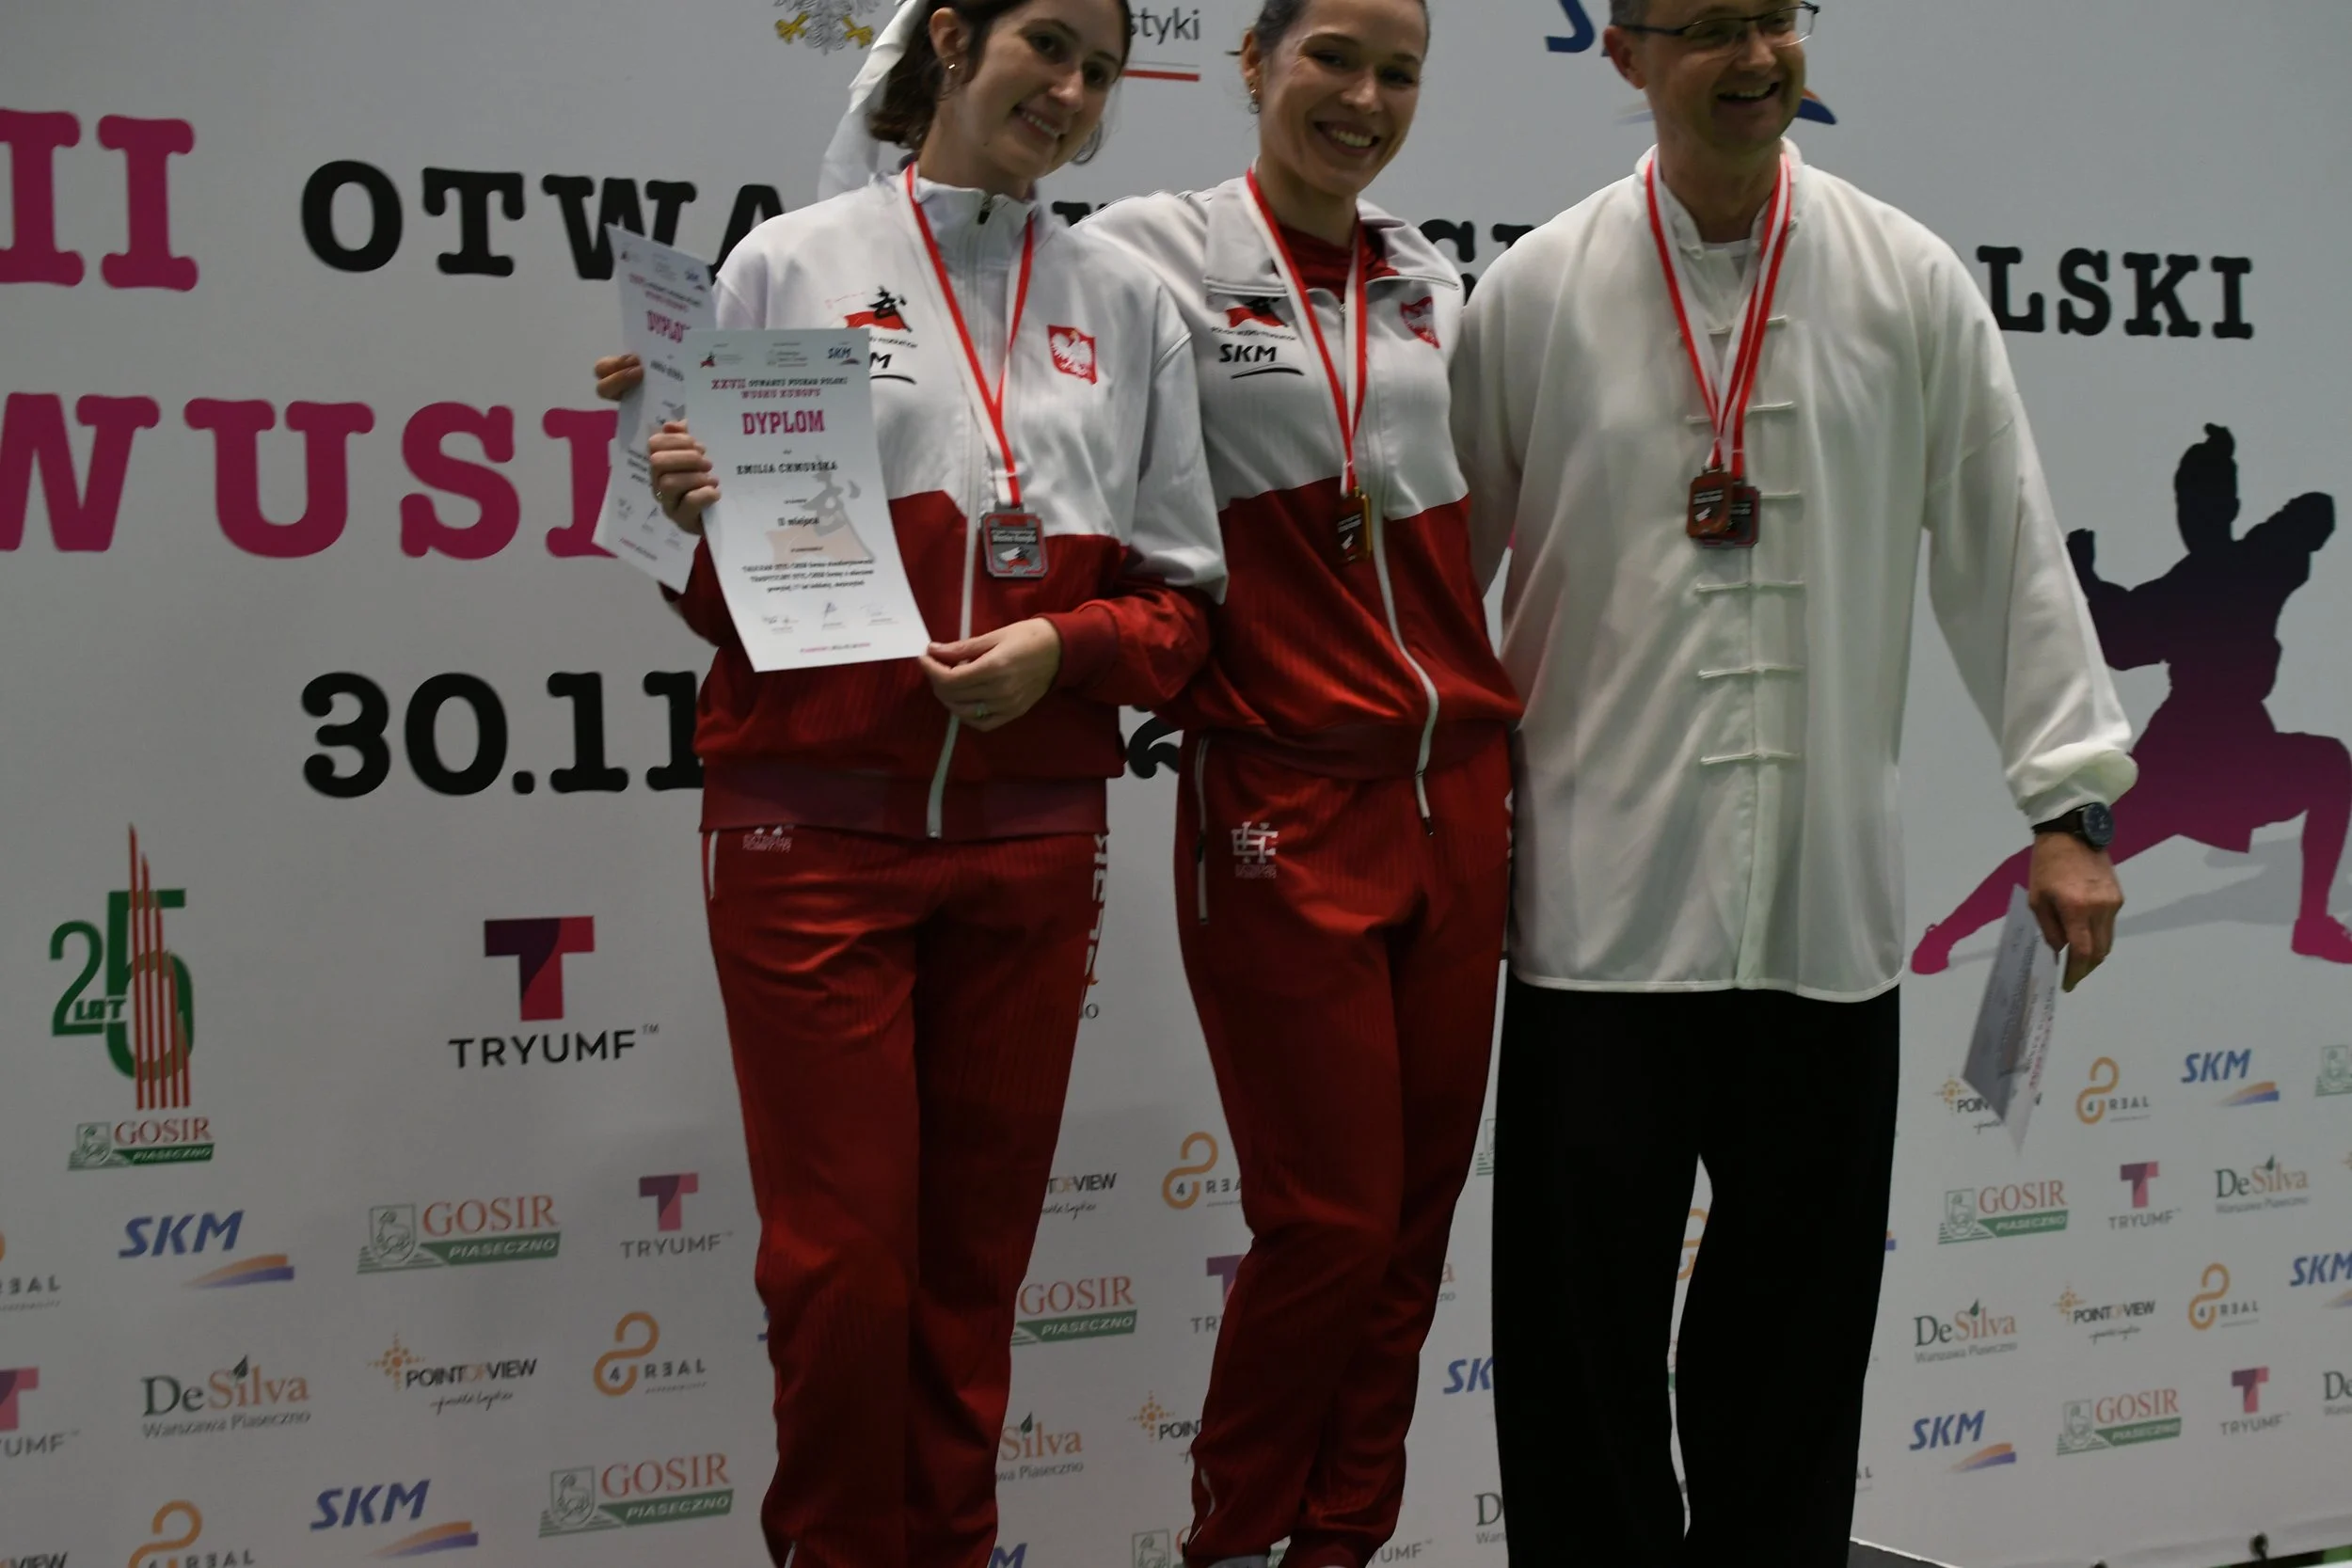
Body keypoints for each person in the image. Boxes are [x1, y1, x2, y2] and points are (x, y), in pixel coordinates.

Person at [1450, 2, 2135, 1561]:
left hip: (1823, 915)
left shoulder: (1908, 280)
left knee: (1799, 1341)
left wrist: (2068, 804)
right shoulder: (1534, 291)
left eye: (1775, 15)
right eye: (1708, 26)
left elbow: (2008, 548)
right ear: (1625, 53)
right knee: (1577, 1349)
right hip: (1596, 920)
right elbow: (1437, 588)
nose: (1756, 55)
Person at [602, 2, 1225, 1562]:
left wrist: (1064, 648)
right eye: (1046, 44)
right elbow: (722, 606)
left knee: (972, 1269)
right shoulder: (788, 264)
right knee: (842, 1265)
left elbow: (1181, 608)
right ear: (952, 38)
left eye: (1100, 68)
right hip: (810, 831)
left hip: (1032, 849)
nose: (1071, 89)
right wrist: (690, 505)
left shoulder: (1127, 303)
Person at [1082, 3, 1521, 1564]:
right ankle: (1237, 1538)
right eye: (1333, 55)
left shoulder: (1428, 278)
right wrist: (729, 389)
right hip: (1282, 793)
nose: (1364, 96)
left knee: (1412, 1221)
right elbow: (954, 330)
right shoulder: (1150, 252)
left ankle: (1343, 1539)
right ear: (1254, 63)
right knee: (1327, 1215)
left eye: (1399, 73)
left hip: (1457, 795)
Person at [1915, 424, 2350, 970]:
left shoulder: (2237, 568)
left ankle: (2312, 922)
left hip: (2222, 752)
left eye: (2205, 501)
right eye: (2195, 503)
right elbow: (2122, 641)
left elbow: (2312, 516)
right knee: (2070, 853)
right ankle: (1948, 933)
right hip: (2193, 759)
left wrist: (2086, 576)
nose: (2197, 516)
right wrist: (2085, 578)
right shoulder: (2229, 572)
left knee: (2329, 767)